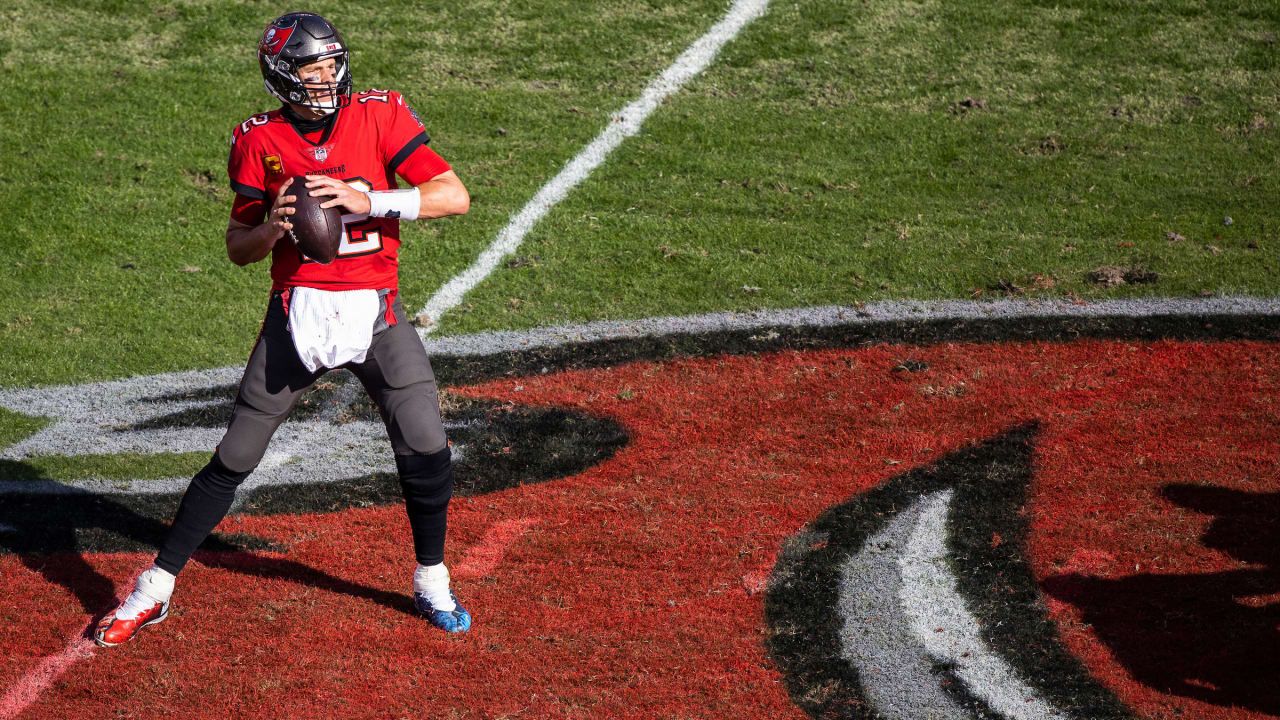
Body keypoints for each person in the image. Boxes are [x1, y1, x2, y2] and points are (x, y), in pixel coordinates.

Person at [95, 11, 472, 645]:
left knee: (427, 444)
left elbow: (452, 194)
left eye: (331, 61)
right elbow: (238, 246)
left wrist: (370, 200)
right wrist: (273, 228)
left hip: (377, 311)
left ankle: (431, 579)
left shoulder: (379, 113)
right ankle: (154, 587)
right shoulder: (258, 139)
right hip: (296, 315)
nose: (326, 75)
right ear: (281, 75)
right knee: (237, 453)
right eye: (311, 65)